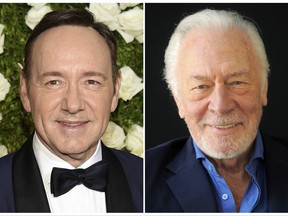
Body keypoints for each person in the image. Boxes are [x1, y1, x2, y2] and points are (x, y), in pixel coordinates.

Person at [145, 8, 288, 212]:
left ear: (263, 88)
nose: (221, 106)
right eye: (201, 86)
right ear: (179, 100)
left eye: (237, 82)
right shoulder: (142, 178)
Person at [0, 9, 142, 213]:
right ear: (25, 90)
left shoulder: (148, 181)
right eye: (54, 82)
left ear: (115, 91)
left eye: (91, 82)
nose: (73, 105)